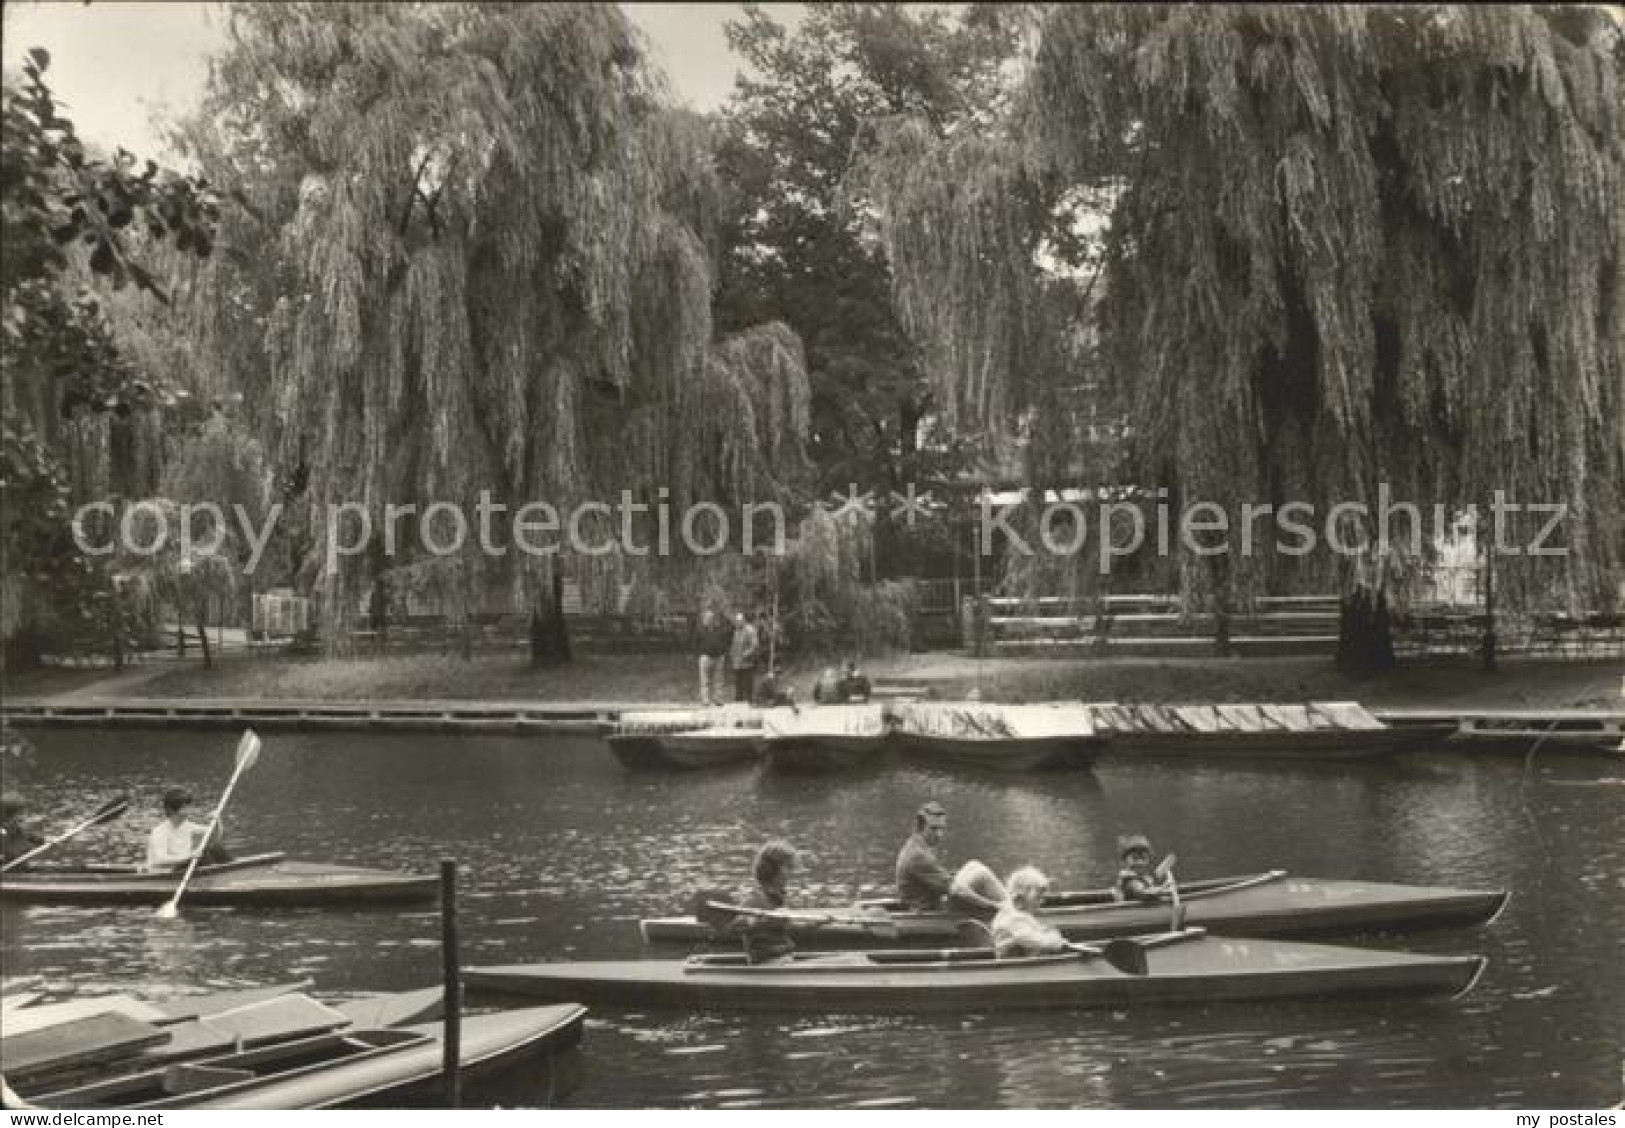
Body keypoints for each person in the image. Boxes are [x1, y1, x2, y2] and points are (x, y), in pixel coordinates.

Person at [893, 802, 1003, 915]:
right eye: (933, 829)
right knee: (981, 874)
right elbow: (956, 891)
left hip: (929, 904)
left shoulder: (915, 845)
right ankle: (1011, 910)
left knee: (973, 865)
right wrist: (992, 905)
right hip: (926, 912)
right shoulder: (918, 855)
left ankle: (1010, 906)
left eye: (942, 829)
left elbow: (942, 881)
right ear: (920, 828)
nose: (939, 834)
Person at [732, 838, 801, 964]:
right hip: (768, 963)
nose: (791, 873)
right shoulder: (755, 898)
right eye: (788, 868)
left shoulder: (778, 897)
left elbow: (786, 925)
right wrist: (767, 919)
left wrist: (816, 924)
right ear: (771, 869)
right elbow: (737, 925)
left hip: (784, 960)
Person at [991, 866, 1071, 958]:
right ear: (1020, 899)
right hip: (1015, 966)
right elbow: (1030, 939)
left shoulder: (1017, 914)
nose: (1042, 902)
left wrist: (1052, 935)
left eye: (1042, 898)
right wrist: (1055, 942)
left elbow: (1037, 930)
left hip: (1022, 960)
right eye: (1038, 898)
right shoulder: (1014, 918)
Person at [146, 788, 231, 871]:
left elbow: (214, 837)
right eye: (185, 806)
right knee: (202, 855)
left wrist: (217, 821)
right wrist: (190, 856)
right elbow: (160, 860)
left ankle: (230, 871)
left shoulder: (188, 826)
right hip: (167, 872)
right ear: (171, 810)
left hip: (182, 867)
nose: (190, 809)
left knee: (215, 848)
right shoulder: (160, 832)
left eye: (188, 805)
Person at [1115, 834, 1174, 902]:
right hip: (1132, 910)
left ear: (1148, 860)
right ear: (1125, 861)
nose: (1139, 862)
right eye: (1135, 858)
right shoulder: (1130, 881)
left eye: (1143, 858)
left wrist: (1170, 861)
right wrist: (1163, 888)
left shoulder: (1142, 877)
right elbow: (1142, 892)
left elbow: (1154, 876)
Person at [696, 609, 732, 706]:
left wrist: (723, 653)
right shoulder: (700, 630)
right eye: (707, 618)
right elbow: (695, 643)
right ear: (704, 619)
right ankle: (705, 700)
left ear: (713, 619)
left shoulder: (719, 629)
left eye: (711, 618)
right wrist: (700, 654)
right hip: (705, 657)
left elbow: (726, 640)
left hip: (719, 658)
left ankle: (718, 699)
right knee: (704, 681)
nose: (709, 620)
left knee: (719, 680)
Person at [1, 792, 45, 869]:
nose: (24, 817)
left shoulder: (20, 829)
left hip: (21, 866)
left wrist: (46, 840)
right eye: (20, 814)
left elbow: (36, 838)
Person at [727, 611, 760, 704]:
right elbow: (734, 644)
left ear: (744, 620)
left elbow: (755, 645)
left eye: (740, 620)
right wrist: (732, 655)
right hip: (737, 663)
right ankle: (738, 702)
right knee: (738, 684)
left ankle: (750, 701)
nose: (738, 622)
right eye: (737, 621)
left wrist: (747, 653)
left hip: (747, 663)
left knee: (748, 684)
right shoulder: (736, 631)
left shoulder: (750, 630)